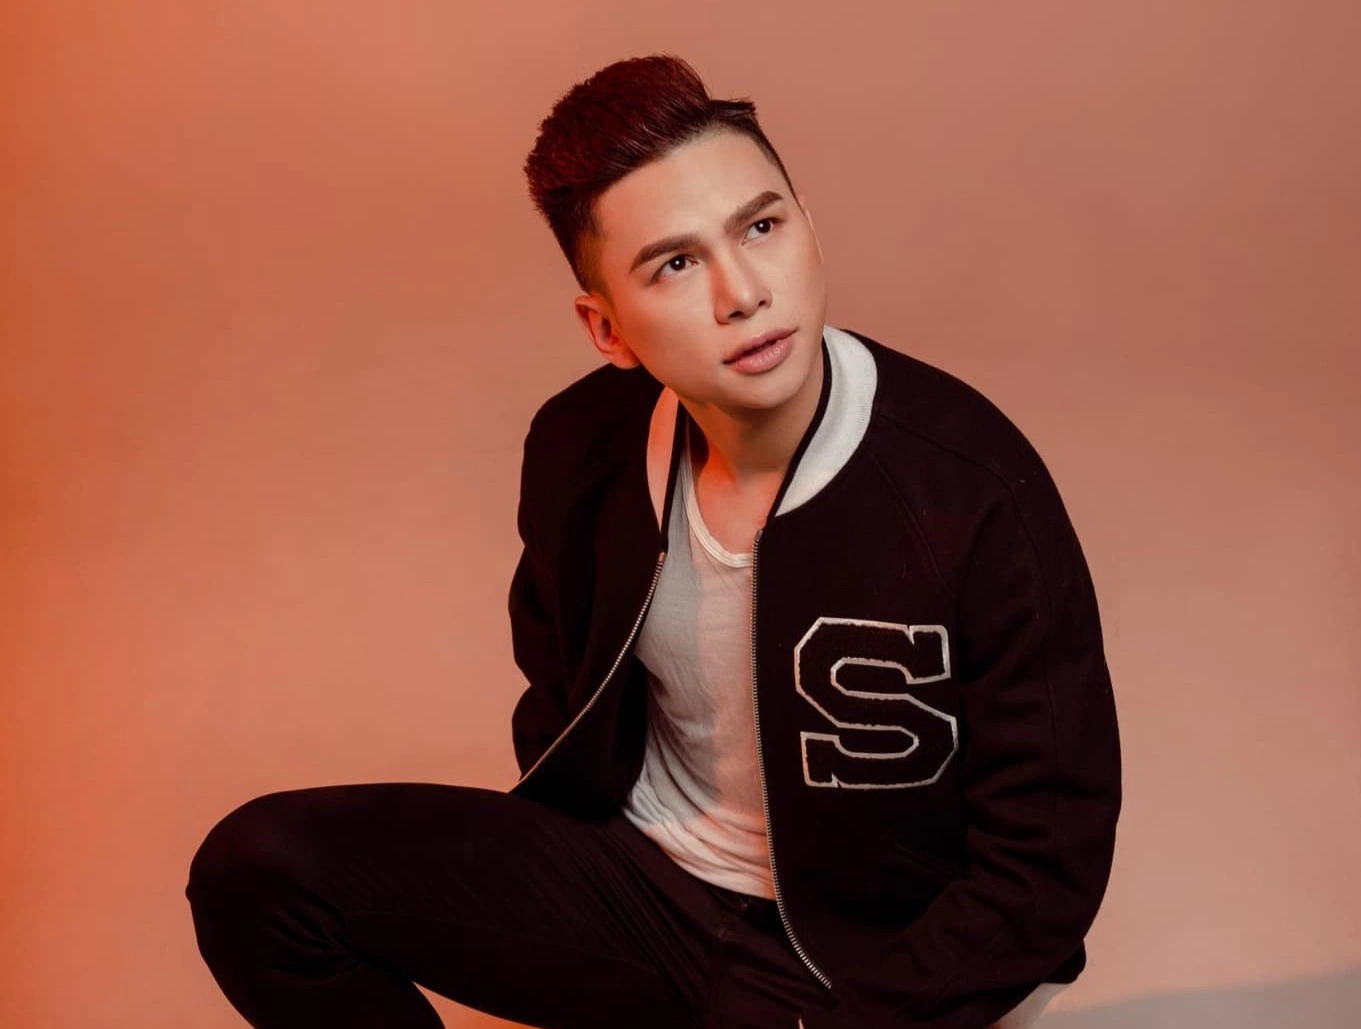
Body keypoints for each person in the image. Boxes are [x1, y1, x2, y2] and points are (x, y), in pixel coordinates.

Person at [186, 53, 1121, 1029]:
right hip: (646, 897)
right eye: (675, 264)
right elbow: (559, 696)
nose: (741, 292)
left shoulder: (971, 486)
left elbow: (1043, 863)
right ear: (607, 329)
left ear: (807, 224)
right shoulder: (581, 449)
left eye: (760, 227)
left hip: (864, 967)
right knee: (262, 872)